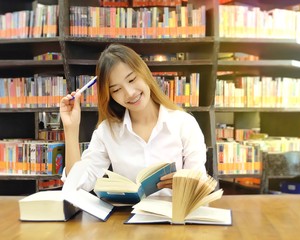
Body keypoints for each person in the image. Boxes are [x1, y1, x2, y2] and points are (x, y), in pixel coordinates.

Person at [59, 43, 207, 196]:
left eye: (132, 79)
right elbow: (77, 184)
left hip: (174, 216)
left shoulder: (184, 124)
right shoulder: (107, 131)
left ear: (144, 73)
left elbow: (201, 186)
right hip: (128, 218)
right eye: (116, 89)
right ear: (111, 96)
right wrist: (71, 128)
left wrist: (186, 183)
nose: (129, 93)